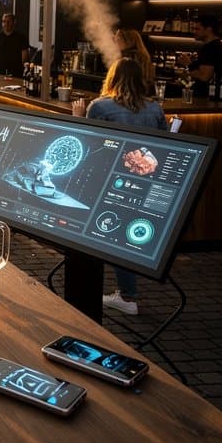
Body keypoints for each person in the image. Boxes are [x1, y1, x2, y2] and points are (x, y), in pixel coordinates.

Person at [72, 57, 166, 315]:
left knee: (109, 233)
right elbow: (164, 144)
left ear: (112, 78)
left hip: (111, 180)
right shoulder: (154, 109)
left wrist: (77, 117)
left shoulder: (100, 106)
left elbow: (90, 143)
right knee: (126, 232)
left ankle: (127, 296)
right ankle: (128, 293)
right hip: (145, 180)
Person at [178, 14, 222, 97]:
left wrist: (188, 64)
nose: (194, 32)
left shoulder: (211, 48)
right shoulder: (216, 46)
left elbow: (204, 77)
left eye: (197, 29)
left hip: (207, 96)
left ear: (208, 29)